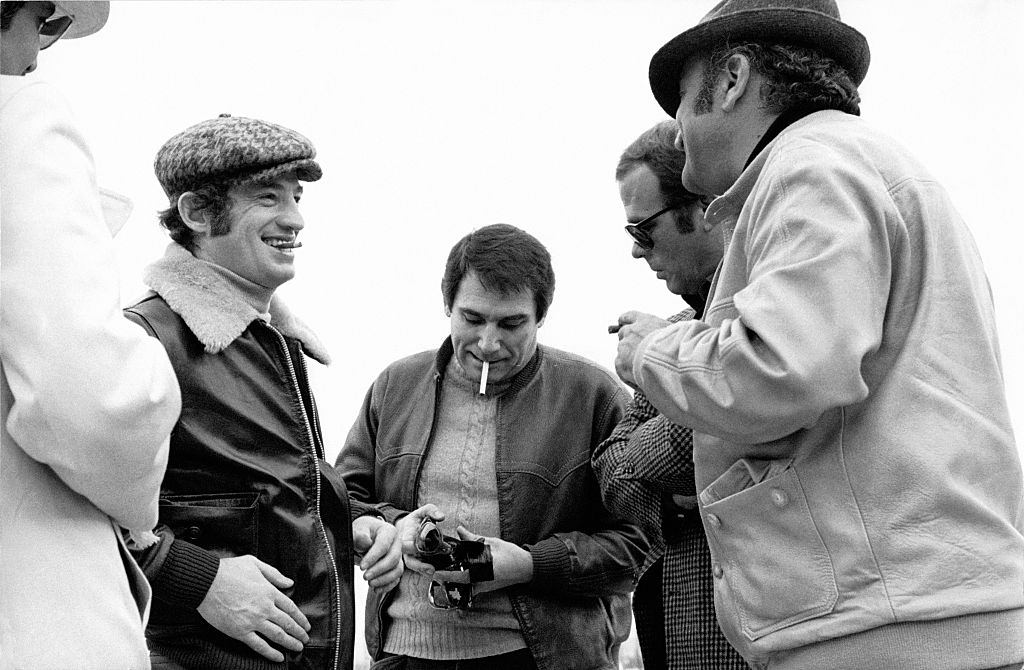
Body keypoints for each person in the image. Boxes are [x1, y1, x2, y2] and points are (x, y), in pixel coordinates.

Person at [612, 1, 1024, 668]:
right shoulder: (874, 167)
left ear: (733, 79)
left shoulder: (808, 169)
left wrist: (649, 350)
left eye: (683, 99)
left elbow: (780, 370)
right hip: (920, 612)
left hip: (874, 631)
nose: (678, 126)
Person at [338, 223, 650, 670]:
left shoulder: (593, 395)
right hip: (403, 655)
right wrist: (391, 527)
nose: (488, 343)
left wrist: (529, 565)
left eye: (511, 323)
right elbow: (340, 502)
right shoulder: (395, 386)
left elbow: (636, 546)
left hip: (544, 657)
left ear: (541, 315)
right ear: (447, 305)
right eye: (472, 318)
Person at [124, 114, 373, 670]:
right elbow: (82, 505)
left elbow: (271, 495)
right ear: (195, 213)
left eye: (297, 196)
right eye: (268, 197)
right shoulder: (144, 339)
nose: (295, 219)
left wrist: (354, 520)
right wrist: (199, 579)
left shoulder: (271, 338)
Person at [1, 2, 182, 668]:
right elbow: (93, 401)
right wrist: (151, 375)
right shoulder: (20, 116)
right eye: (47, 21)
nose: (42, 55)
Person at [593, 120, 746, 670]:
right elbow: (611, 476)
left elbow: (719, 416)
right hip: (680, 635)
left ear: (704, 207)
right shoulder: (678, 328)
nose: (637, 254)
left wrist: (661, 367)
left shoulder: (763, 320)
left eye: (643, 232)